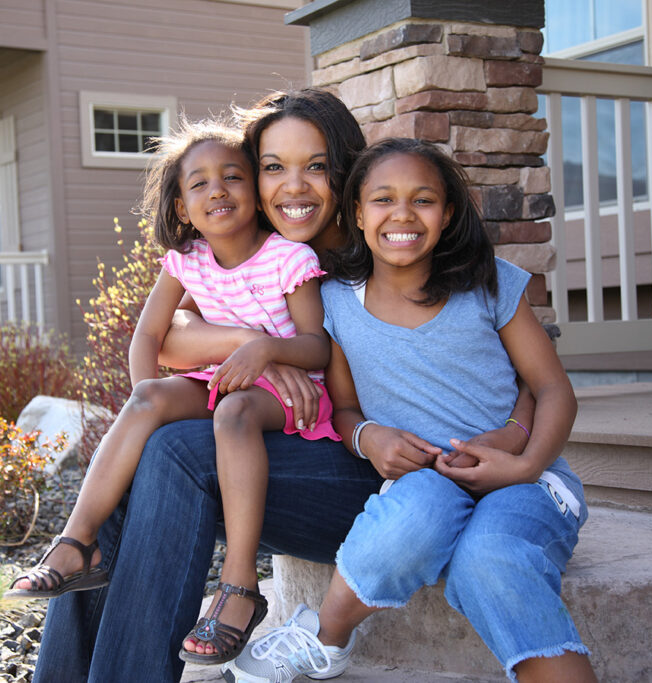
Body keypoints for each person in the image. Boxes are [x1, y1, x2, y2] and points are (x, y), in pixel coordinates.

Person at [31, 90, 532, 683]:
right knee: (145, 449)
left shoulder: (392, 242)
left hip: (384, 479)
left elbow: (521, 371)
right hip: (296, 442)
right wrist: (258, 347)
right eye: (273, 167)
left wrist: (514, 438)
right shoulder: (256, 250)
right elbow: (172, 336)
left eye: (316, 166)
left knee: (173, 452)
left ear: (346, 170)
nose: (293, 187)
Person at [223, 137, 596, 683]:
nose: (402, 215)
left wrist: (524, 461)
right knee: (412, 514)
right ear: (356, 212)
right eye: (383, 200)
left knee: (486, 560)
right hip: (427, 479)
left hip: (526, 483)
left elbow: (553, 388)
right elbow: (346, 409)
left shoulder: (486, 281)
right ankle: (324, 638)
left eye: (422, 200)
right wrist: (368, 437)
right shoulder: (335, 305)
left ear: (446, 214)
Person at [7, 118, 341, 665]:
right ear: (183, 207)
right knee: (148, 405)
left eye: (233, 177)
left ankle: (239, 585)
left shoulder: (289, 259)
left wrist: (265, 350)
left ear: (254, 193)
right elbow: (150, 337)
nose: (218, 190)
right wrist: (147, 402)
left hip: (289, 395)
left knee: (233, 413)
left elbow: (317, 348)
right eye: (200, 183)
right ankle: (76, 542)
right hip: (220, 379)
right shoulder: (187, 260)